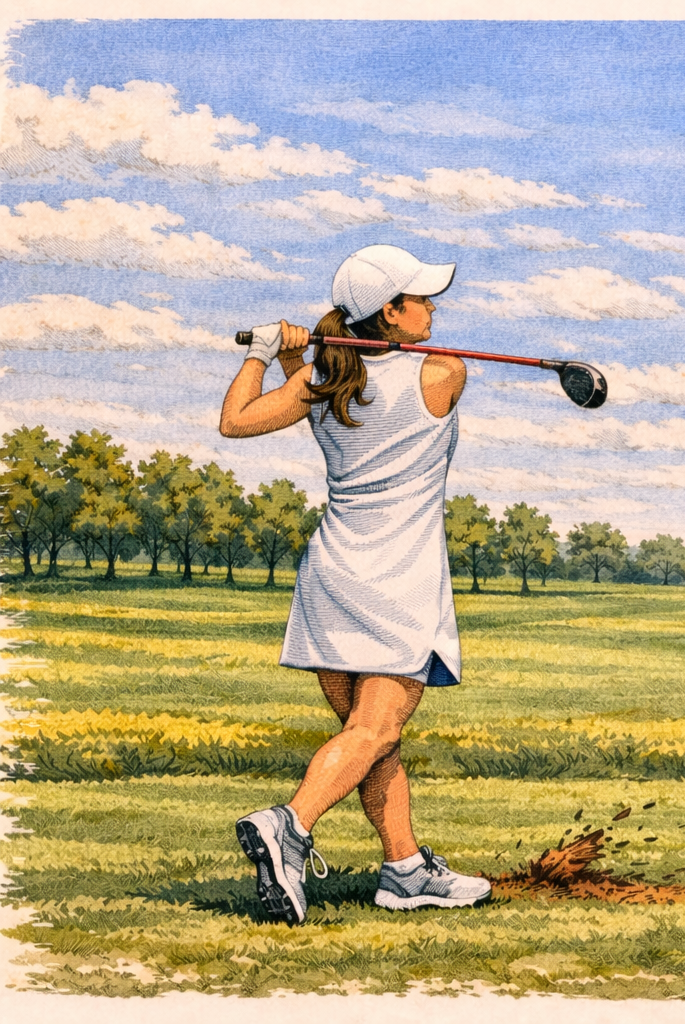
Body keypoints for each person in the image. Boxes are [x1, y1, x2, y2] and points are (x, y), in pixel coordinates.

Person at [219, 244, 491, 924]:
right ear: (389, 313)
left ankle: (404, 870)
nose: (432, 308)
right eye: (419, 299)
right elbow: (383, 388)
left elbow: (237, 420)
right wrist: (305, 350)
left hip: (333, 575)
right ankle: (291, 824)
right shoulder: (444, 371)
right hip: (398, 577)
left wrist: (266, 352)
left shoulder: (319, 382)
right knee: (373, 730)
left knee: (371, 738)